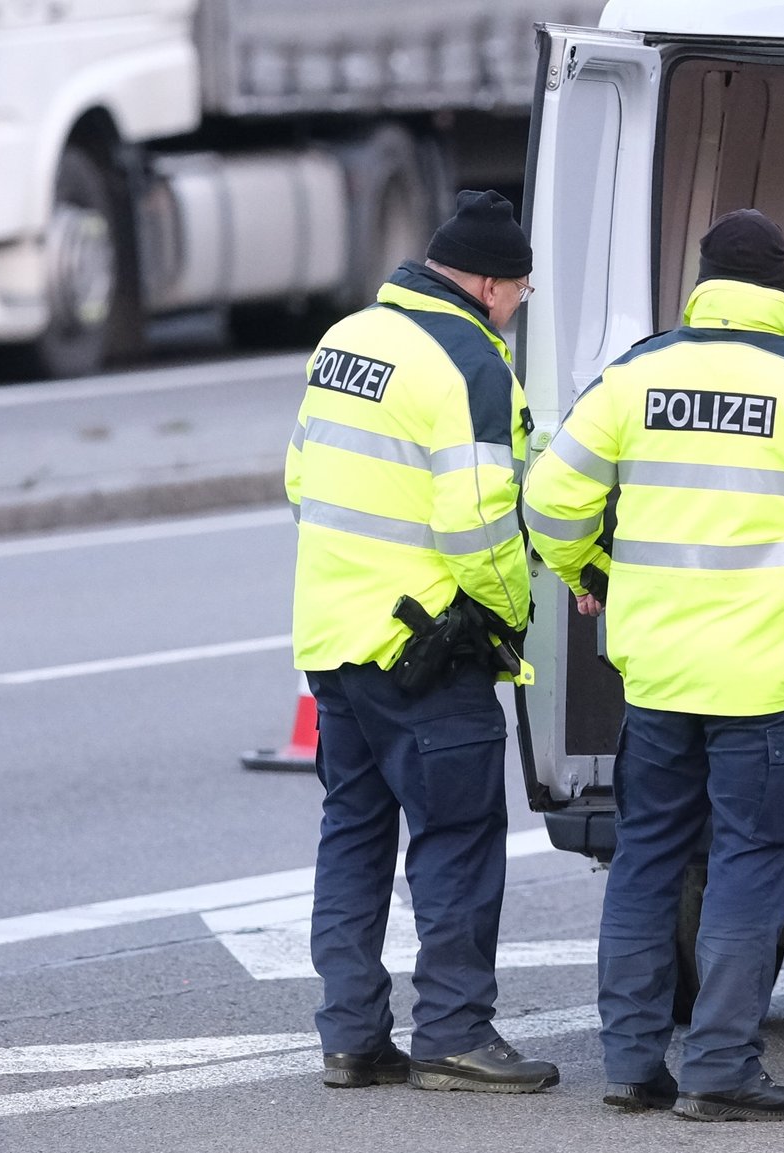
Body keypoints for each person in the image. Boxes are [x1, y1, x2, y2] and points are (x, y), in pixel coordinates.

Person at [525, 210, 784, 1122]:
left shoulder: (638, 373)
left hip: (659, 679)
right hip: (771, 688)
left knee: (645, 864)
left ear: (702, 280)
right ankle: (718, 1069)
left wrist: (590, 567)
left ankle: (632, 1063)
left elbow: (549, 495)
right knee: (749, 869)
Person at [285, 189, 558, 1094]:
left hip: (334, 639)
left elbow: (299, 478)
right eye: (520, 289)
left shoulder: (348, 338)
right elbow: (480, 522)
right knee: (456, 839)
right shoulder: (469, 363)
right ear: (486, 283)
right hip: (427, 652)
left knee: (353, 834)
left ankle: (352, 1036)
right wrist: (511, 620)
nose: (520, 305)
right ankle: (452, 1032)